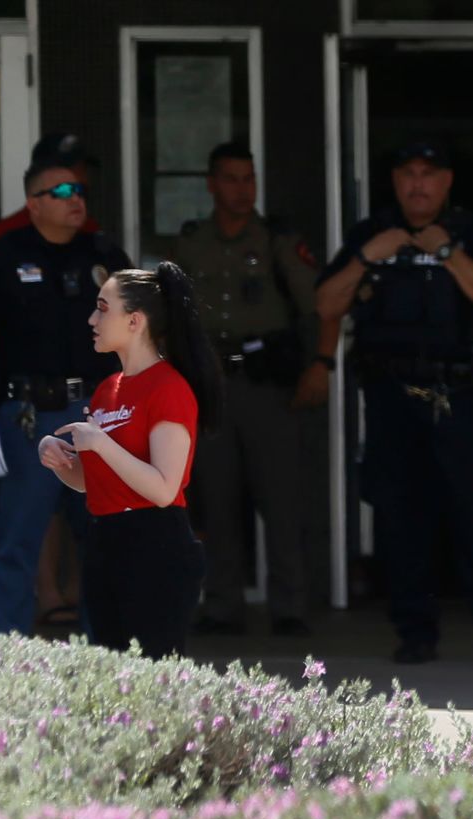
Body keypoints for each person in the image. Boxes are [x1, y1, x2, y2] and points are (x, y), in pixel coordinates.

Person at [315, 140, 473, 666]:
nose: (418, 184)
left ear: (447, 181)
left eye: (428, 174)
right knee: (400, 518)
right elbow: (325, 303)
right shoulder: (372, 234)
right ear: (395, 180)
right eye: (407, 173)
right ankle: (414, 634)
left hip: (459, 397)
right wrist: (372, 254)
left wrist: (448, 254)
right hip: (392, 398)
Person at [0, 156, 131, 636]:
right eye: (63, 193)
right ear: (33, 204)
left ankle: (104, 653)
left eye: (81, 191)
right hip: (29, 415)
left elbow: (144, 331)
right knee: (18, 537)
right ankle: (7, 653)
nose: (78, 201)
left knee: (104, 536)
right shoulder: (2, 257)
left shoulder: (104, 255)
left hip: (99, 413)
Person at [175, 141, 322, 638]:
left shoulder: (277, 240)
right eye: (232, 179)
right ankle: (222, 604)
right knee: (216, 499)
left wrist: (318, 366)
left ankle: (289, 605)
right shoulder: (191, 242)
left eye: (249, 179)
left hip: (266, 384)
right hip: (213, 384)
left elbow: (315, 307)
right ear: (212, 184)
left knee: (280, 498)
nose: (243, 190)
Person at [37, 264, 222, 659]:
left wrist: (101, 444)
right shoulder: (108, 389)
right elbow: (94, 483)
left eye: (103, 309)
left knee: (151, 678)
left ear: (135, 321)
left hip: (155, 542)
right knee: (113, 675)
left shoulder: (168, 387)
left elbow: (163, 488)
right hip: (106, 538)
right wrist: (59, 460)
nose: (92, 319)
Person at [0, 132, 102, 247]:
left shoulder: (90, 230)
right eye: (69, 172)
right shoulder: (6, 235)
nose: (80, 179)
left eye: (83, 170)